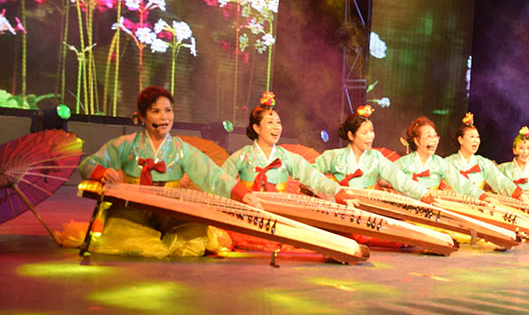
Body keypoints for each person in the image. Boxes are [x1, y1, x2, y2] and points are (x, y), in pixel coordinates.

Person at [77, 86, 261, 257]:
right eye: (156, 111)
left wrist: (243, 194)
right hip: (132, 210)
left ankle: (163, 239)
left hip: (171, 210)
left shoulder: (181, 149)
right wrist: (103, 172)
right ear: (142, 117)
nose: (164, 117)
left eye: (168, 110)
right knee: (124, 238)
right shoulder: (127, 144)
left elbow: (213, 175)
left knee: (194, 239)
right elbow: (88, 164)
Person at [221, 92, 353, 205]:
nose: (276, 127)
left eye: (278, 123)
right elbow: (219, 180)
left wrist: (338, 193)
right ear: (257, 128)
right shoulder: (243, 156)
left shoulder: (285, 157)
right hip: (248, 214)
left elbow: (313, 177)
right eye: (270, 122)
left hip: (277, 213)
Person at [314, 105, 434, 202]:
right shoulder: (333, 156)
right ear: (351, 135)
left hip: (364, 209)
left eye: (372, 131)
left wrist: (422, 193)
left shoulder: (376, 158)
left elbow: (399, 178)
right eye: (365, 133)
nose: (370, 137)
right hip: (336, 208)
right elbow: (311, 173)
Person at [395, 116, 489, 200]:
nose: (434, 140)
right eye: (428, 136)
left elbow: (460, 182)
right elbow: (388, 176)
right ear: (416, 140)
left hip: (431, 207)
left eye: (435, 136)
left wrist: (481, 195)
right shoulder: (404, 162)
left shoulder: (439, 163)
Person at [444, 113, 527, 200]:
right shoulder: (448, 163)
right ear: (460, 140)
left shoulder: (483, 163)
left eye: (477, 137)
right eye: (472, 137)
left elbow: (499, 180)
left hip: (480, 204)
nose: (476, 141)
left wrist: (518, 194)